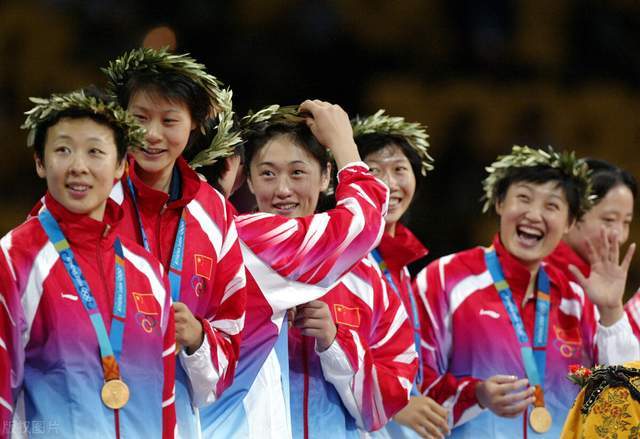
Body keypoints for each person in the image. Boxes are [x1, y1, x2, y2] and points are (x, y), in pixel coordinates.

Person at [415, 146, 639, 438]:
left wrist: (611, 311)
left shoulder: (576, 298)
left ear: (570, 222)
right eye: (523, 198)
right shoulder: (446, 278)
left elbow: (621, 403)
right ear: (499, 202)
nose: (534, 214)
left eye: (552, 206)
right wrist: (476, 394)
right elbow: (414, 388)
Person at [198, 101, 391, 438]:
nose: (283, 190)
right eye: (268, 173)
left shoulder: (366, 276)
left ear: (325, 176)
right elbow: (364, 220)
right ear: (245, 178)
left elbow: (384, 404)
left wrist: (335, 343)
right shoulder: (250, 239)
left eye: (297, 172)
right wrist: (345, 144)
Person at [0, 89, 175, 438]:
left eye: (95, 151)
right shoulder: (14, 259)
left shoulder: (149, 273)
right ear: (40, 162)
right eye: (63, 150)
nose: (78, 166)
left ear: (121, 165)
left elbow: (166, 406)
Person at [102, 48, 247, 438]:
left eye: (169, 121)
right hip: (88, 411)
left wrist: (198, 337)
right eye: (139, 118)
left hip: (177, 420)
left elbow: (230, 335)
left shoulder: (215, 214)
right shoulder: (91, 194)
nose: (152, 134)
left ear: (195, 123)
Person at [352, 110, 450, 439]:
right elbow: (336, 347)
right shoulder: (346, 258)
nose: (389, 184)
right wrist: (396, 402)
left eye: (399, 170)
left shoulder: (402, 268)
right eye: (373, 170)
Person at [545, 159, 640, 338]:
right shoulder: (536, 273)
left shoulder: (603, 284)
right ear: (571, 214)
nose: (619, 236)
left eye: (626, 222)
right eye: (609, 220)